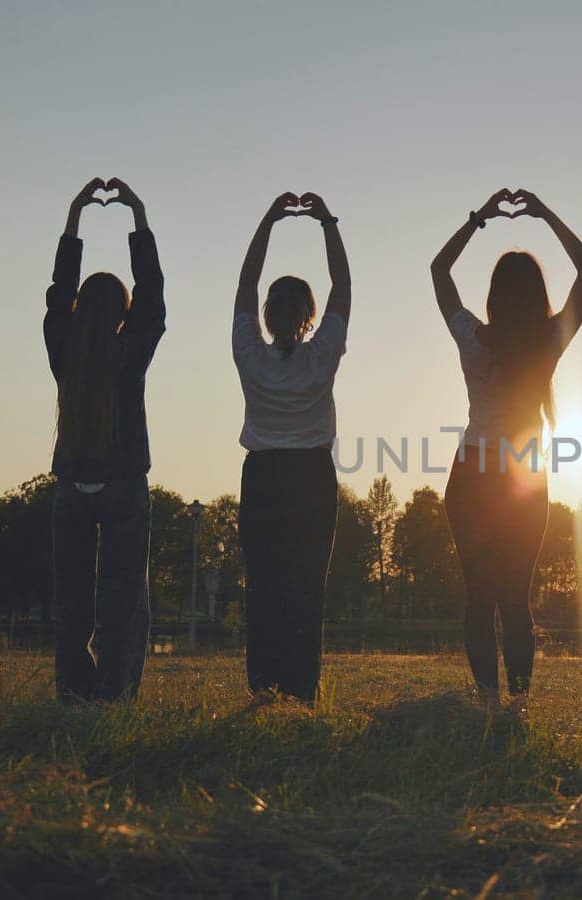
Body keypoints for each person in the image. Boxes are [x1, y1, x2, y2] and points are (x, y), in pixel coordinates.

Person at [430, 188, 582, 706]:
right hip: (524, 477)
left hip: (473, 473)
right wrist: (546, 214)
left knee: (479, 596)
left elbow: (440, 270)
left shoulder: (471, 337)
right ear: (536, 295)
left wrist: (479, 218)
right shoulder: (549, 340)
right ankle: (519, 704)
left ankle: (488, 698)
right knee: (514, 596)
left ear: (494, 296)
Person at [45, 177, 165, 703]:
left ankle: (74, 691)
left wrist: (75, 216)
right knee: (124, 599)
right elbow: (153, 293)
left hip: (73, 486)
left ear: (77, 310)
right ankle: (116, 692)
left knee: (72, 598)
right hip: (123, 487)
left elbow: (58, 291)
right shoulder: (130, 353)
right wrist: (136, 216)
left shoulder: (64, 351)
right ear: (122, 311)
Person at [232, 191, 351, 703]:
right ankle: (301, 690)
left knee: (263, 585)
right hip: (311, 477)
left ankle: (264, 687)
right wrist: (325, 221)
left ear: (266, 314)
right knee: (306, 587)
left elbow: (245, 282)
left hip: (262, 476)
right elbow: (342, 284)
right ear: (309, 316)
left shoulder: (248, 353)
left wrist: (270, 220)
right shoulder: (322, 354)